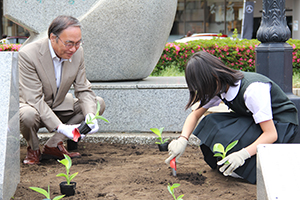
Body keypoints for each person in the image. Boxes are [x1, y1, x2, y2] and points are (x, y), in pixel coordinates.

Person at [165, 51, 298, 184]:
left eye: (204, 87)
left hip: (282, 128)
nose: (205, 92)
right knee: (211, 122)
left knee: (231, 134)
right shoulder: (219, 86)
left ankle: (247, 168)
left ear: (214, 77)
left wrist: (242, 155)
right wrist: (182, 140)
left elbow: (271, 134)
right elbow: (195, 114)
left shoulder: (252, 90)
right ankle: (231, 165)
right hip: (256, 122)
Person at [19, 15, 106, 165]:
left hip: (58, 105)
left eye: (78, 43)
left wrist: (91, 116)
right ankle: (33, 149)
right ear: (53, 38)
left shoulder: (78, 53)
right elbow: (34, 98)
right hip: (31, 105)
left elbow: (83, 89)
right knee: (28, 115)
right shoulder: (28, 54)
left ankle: (53, 145)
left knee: (97, 103)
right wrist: (61, 127)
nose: (73, 49)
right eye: (69, 43)